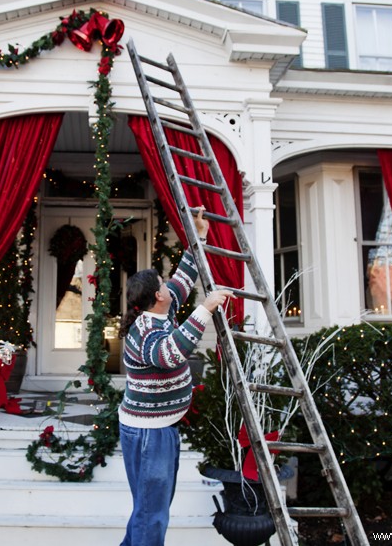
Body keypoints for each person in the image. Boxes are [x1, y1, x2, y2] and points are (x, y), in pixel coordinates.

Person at [117, 207, 235, 546]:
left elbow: (184, 278)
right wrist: (206, 308)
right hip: (149, 434)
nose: (169, 284)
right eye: (162, 283)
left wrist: (199, 234)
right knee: (152, 513)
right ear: (157, 296)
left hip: (158, 428)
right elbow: (169, 354)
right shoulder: (144, 331)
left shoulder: (160, 309)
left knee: (150, 509)